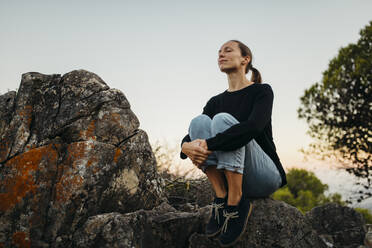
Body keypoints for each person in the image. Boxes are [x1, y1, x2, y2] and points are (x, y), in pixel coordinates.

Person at [180, 40, 287, 247]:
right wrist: (185, 147)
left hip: (263, 176)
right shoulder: (215, 101)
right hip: (228, 176)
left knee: (221, 120)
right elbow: (193, 134)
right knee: (199, 122)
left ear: (245, 59)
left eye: (228, 50)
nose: (221, 54)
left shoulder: (262, 91)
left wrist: (209, 144)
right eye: (219, 52)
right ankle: (221, 197)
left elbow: (253, 127)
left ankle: (236, 202)